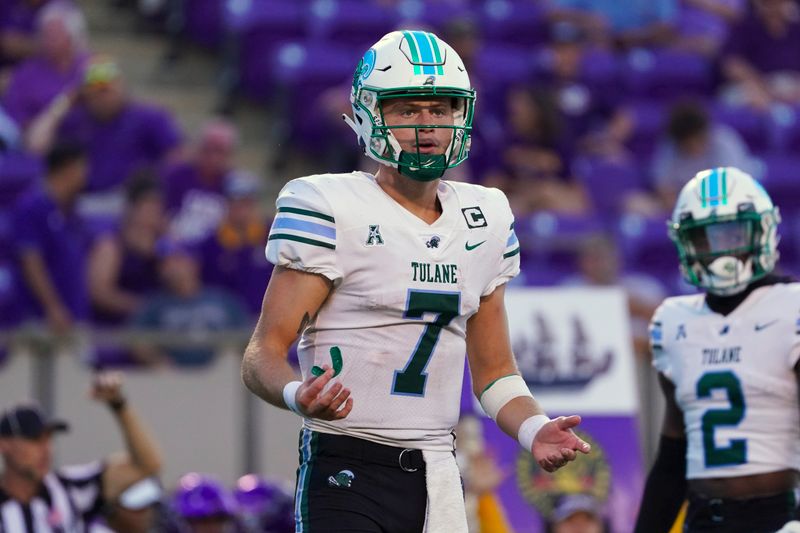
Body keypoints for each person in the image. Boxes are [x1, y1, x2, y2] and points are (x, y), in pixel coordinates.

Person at [241, 30, 591, 533]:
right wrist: (299, 394)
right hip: (347, 465)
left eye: (441, 108)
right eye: (406, 110)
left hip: (439, 473)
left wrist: (535, 429)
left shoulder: (484, 217)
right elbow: (262, 355)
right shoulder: (331, 207)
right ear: (369, 114)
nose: (426, 126)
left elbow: (494, 374)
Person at [634, 167, 800, 532]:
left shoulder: (792, 309)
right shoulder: (674, 322)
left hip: (779, 518)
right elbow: (673, 459)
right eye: (707, 239)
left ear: (763, 230)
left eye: (733, 234)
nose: (722, 251)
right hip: (705, 519)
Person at [0, 372, 162, 532]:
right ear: (4, 444)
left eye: (48, 439)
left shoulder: (69, 489)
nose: (46, 449)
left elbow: (147, 465)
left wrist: (118, 405)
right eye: (35, 439)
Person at [26, 55, 183, 217]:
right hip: (83, 203)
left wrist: (150, 188)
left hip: (130, 206)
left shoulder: (148, 117)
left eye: (107, 89)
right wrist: (66, 101)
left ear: (121, 86)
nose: (102, 97)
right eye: (94, 91)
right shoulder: (78, 120)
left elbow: (176, 158)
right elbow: (36, 145)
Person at [130, 238, 248, 368]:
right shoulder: (155, 305)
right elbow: (134, 339)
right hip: (175, 378)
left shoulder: (222, 299)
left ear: (193, 262)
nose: (169, 268)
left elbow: (247, 334)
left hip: (220, 376)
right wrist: (156, 360)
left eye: (176, 260)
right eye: (164, 263)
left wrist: (231, 353)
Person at [11, 141, 90, 335]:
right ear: (70, 168)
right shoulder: (31, 207)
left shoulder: (72, 210)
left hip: (74, 313)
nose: (86, 175)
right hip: (41, 318)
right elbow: (31, 261)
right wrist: (52, 307)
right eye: (83, 168)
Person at [197, 171, 272, 315]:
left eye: (246, 202)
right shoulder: (211, 244)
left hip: (266, 318)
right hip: (227, 323)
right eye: (236, 202)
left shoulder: (272, 235)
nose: (241, 209)